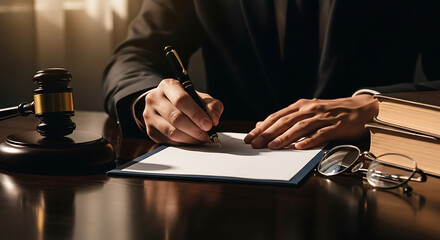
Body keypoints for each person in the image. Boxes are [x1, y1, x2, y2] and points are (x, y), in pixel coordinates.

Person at [103, 0, 440, 149]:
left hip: (368, 174)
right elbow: (135, 55)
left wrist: (376, 107)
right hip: (233, 188)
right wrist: (149, 98)